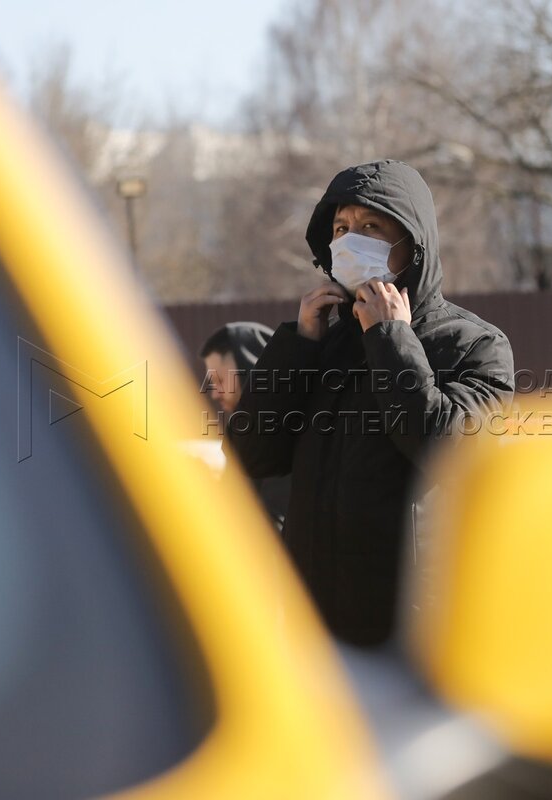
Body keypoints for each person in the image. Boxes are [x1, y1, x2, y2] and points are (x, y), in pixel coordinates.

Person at [229, 160, 514, 646]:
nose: (349, 241)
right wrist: (299, 345)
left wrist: (390, 338)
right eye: (341, 228)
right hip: (314, 628)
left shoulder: (474, 344)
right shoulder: (322, 342)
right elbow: (250, 456)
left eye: (370, 227)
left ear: (412, 245)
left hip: (416, 630)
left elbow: (449, 453)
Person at [200, 322, 291, 531]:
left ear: (250, 369)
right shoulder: (244, 438)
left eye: (220, 380)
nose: (214, 393)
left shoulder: (282, 438)